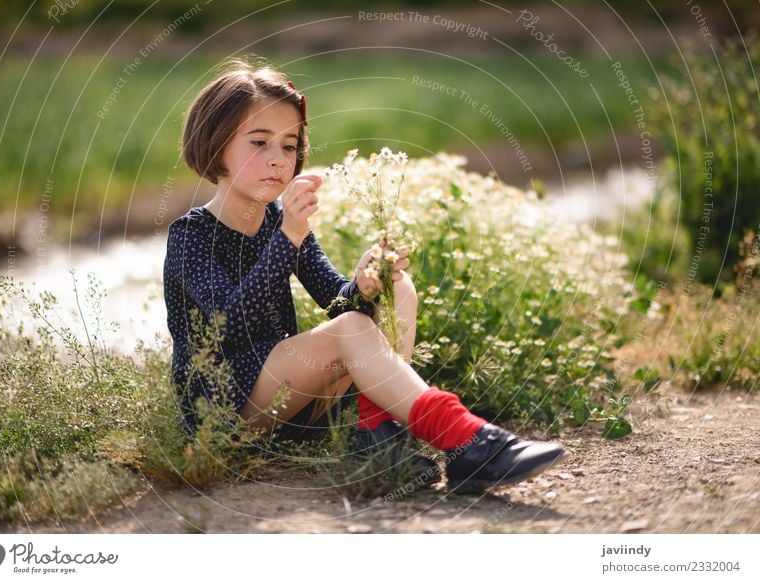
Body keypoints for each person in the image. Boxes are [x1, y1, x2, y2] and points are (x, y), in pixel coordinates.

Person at [163, 57, 565, 494]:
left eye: (289, 146)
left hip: (292, 406)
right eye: (259, 143)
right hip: (223, 410)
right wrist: (289, 237)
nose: (278, 160)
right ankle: (466, 439)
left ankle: (378, 442)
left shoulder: (278, 220)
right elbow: (235, 324)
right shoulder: (192, 237)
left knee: (398, 289)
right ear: (215, 143)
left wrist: (363, 285)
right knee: (351, 327)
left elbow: (335, 300)